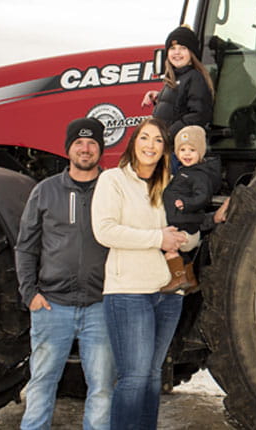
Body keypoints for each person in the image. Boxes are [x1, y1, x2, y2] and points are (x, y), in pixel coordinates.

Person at [90, 117, 198, 430]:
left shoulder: (172, 186)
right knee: (134, 378)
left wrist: (181, 239)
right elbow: (105, 231)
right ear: (134, 143)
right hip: (129, 292)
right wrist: (157, 238)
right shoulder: (113, 181)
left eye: (158, 141)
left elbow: (191, 234)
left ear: (165, 149)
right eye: (144, 138)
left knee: (153, 377)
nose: (150, 146)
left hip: (169, 293)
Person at [15, 117, 116, 430]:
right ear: (68, 148)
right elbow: (26, 247)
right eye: (79, 143)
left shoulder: (113, 189)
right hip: (51, 305)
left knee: (101, 388)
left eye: (92, 144)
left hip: (100, 305)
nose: (85, 149)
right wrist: (30, 294)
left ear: (101, 149)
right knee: (42, 382)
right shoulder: (46, 191)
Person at [162, 125, 221, 290]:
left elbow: (203, 197)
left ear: (200, 152)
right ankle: (191, 279)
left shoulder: (199, 175)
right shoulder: (185, 171)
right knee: (181, 253)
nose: (187, 154)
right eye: (182, 150)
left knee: (170, 249)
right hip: (181, 220)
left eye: (192, 150)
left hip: (187, 223)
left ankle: (178, 279)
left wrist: (186, 204)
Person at [141, 25, 214, 139]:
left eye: (183, 48)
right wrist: (158, 97)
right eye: (172, 48)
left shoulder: (195, 77)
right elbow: (176, 105)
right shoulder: (174, 78)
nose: (177, 52)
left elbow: (198, 114)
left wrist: (170, 134)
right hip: (166, 144)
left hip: (179, 146)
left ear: (192, 53)